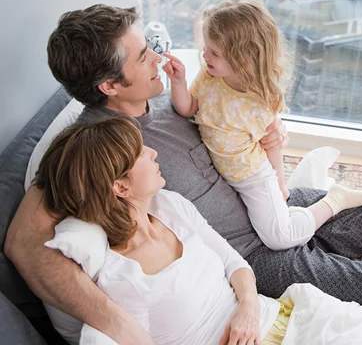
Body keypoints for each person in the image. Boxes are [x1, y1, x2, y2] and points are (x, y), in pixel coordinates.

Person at [5, 4, 362, 345]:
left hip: (267, 199)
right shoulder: (92, 146)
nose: (160, 57)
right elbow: (24, 241)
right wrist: (121, 329)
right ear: (109, 86)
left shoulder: (167, 96)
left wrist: (274, 150)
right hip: (249, 248)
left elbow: (238, 116)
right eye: (142, 57)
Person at [36, 117, 289, 345]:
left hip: (269, 317)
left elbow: (234, 262)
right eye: (140, 153)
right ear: (120, 188)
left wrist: (249, 307)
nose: (153, 153)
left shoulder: (170, 205)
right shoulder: (122, 276)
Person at [165, 0, 362, 251]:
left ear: (242, 57)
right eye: (206, 47)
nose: (204, 55)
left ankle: (336, 200)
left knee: (280, 238)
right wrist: (178, 82)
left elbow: (272, 144)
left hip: (252, 177)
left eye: (214, 52)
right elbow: (188, 108)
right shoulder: (209, 76)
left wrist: (279, 182)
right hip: (223, 174)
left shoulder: (258, 101)